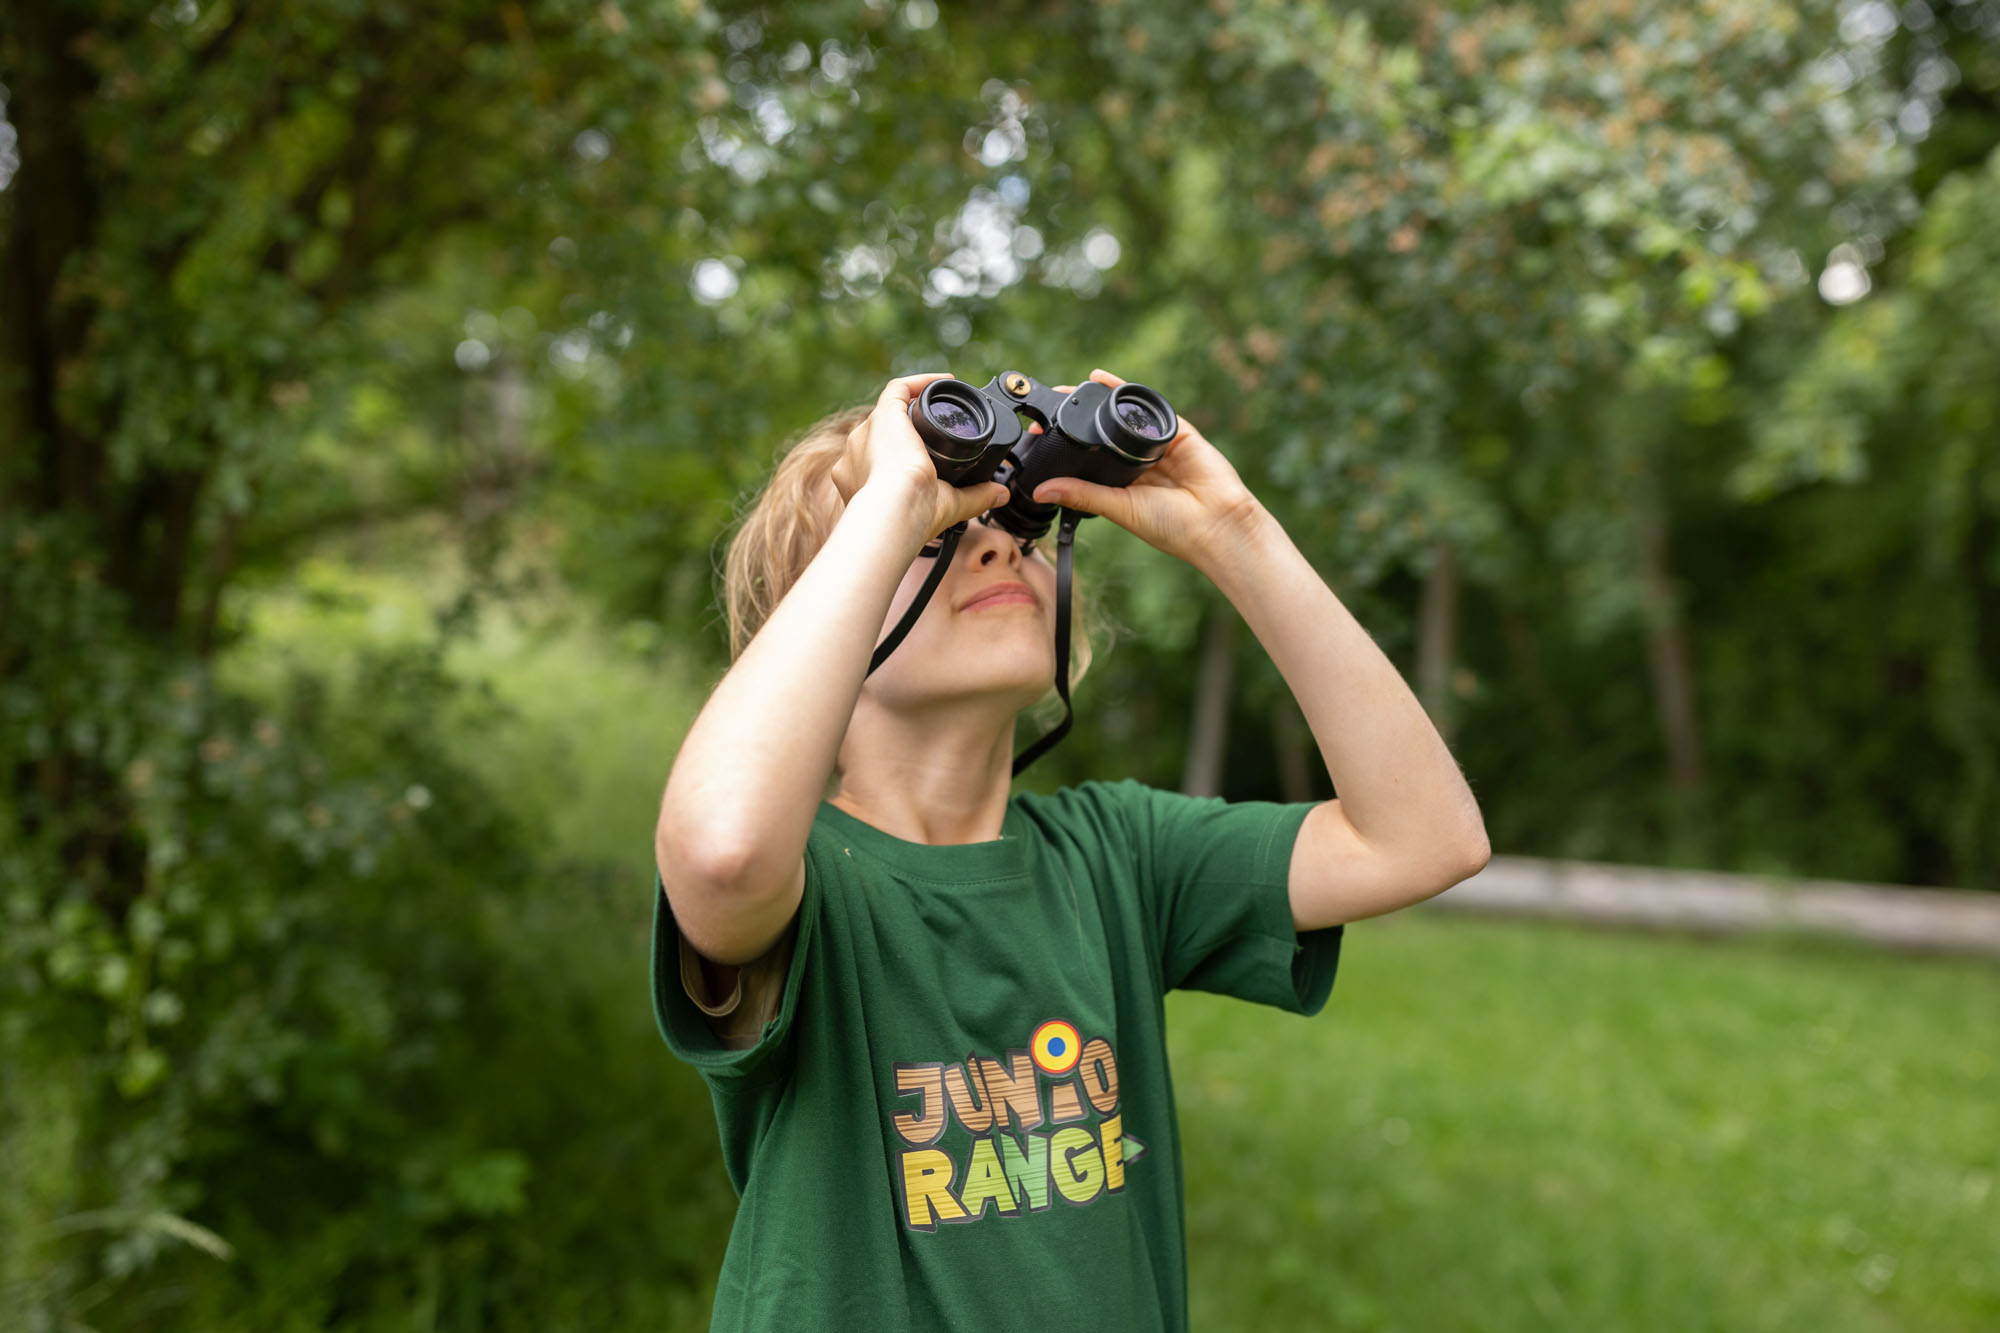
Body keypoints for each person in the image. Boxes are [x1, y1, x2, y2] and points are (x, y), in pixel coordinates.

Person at [650, 369, 1490, 1332]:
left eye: (1015, 525)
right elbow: (721, 852)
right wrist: (890, 500)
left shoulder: (1115, 854)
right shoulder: (809, 881)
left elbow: (1426, 837)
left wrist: (1235, 531)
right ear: (815, 621)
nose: (996, 542)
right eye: (933, 534)